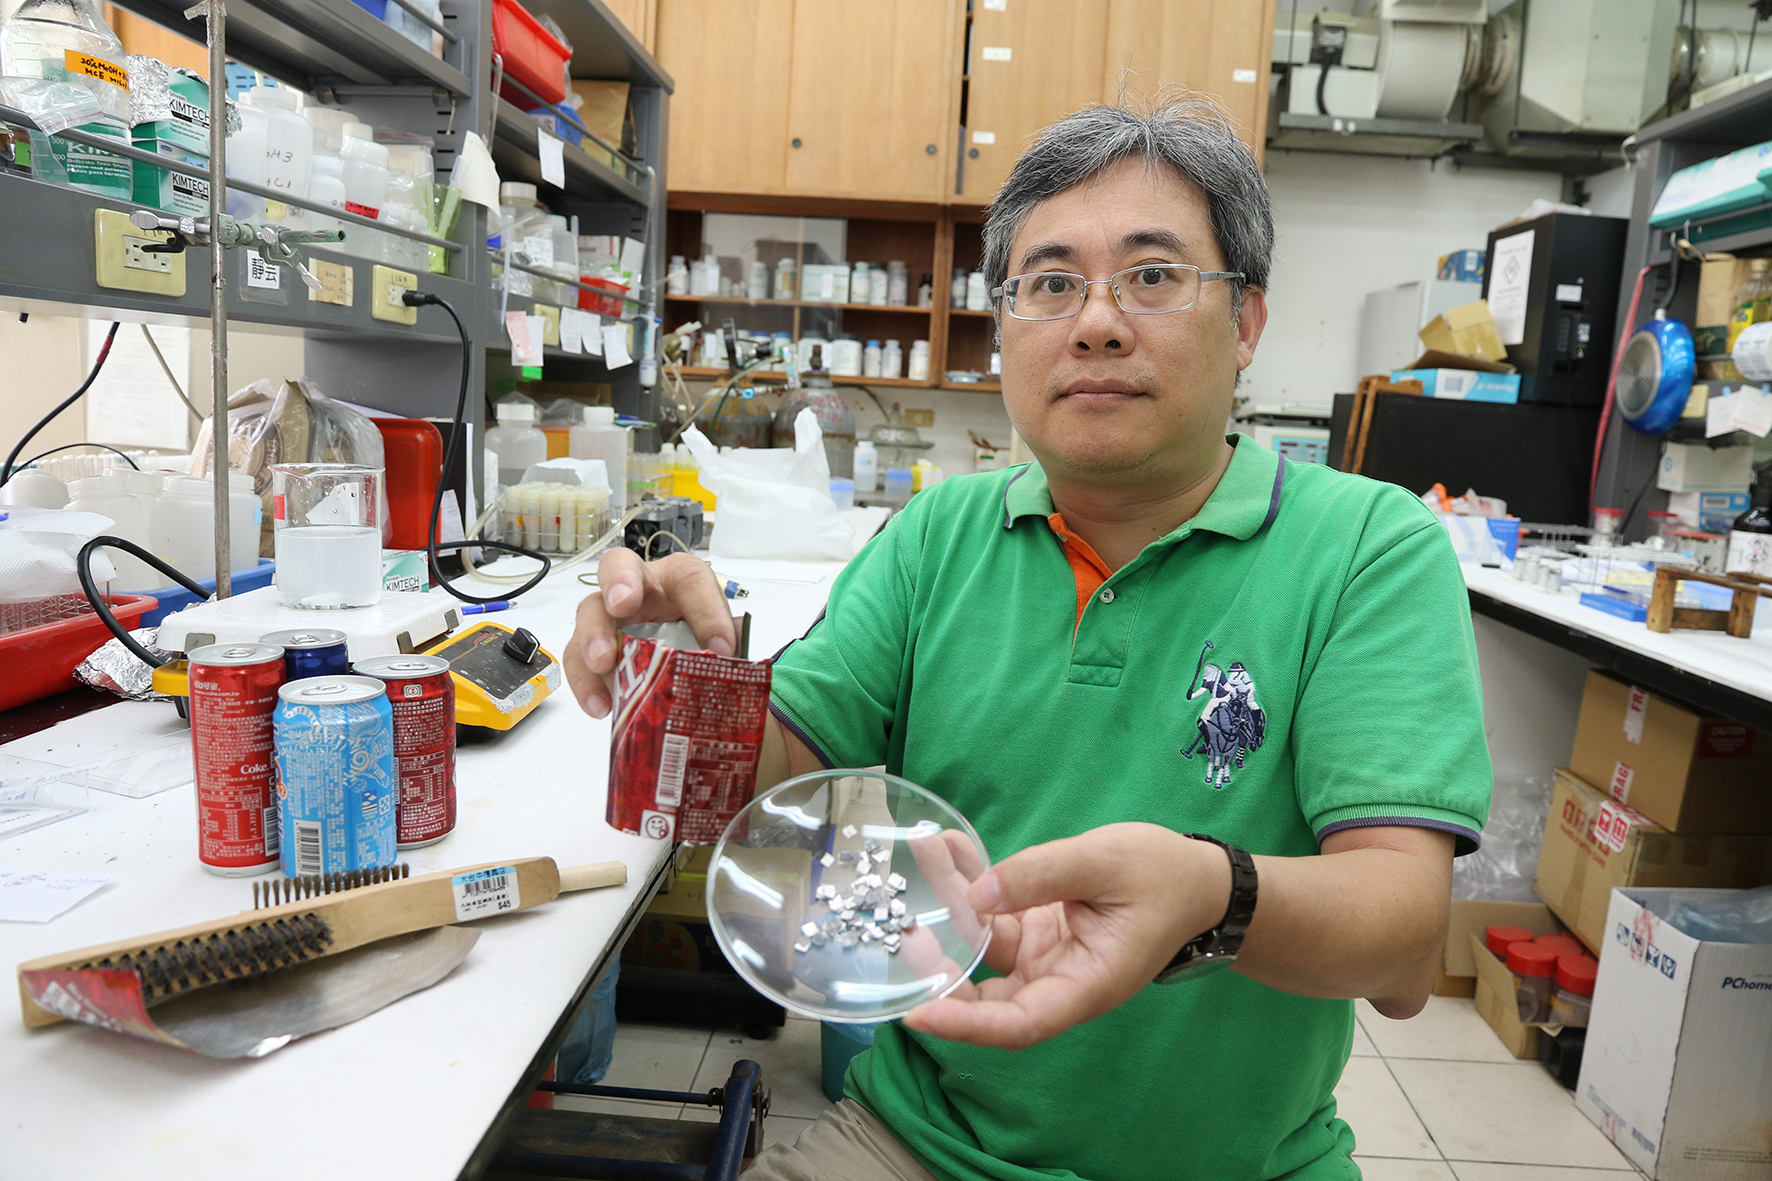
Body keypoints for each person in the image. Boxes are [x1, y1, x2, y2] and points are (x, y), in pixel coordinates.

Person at [566, 96, 1491, 1181]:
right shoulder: (938, 536)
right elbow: (769, 782)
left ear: (1245, 321)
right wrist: (690, 673)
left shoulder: (1367, 546)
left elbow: (1401, 945)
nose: (1095, 322)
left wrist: (1209, 893)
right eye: (1050, 284)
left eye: (1151, 275)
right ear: (1004, 326)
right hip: (917, 1140)